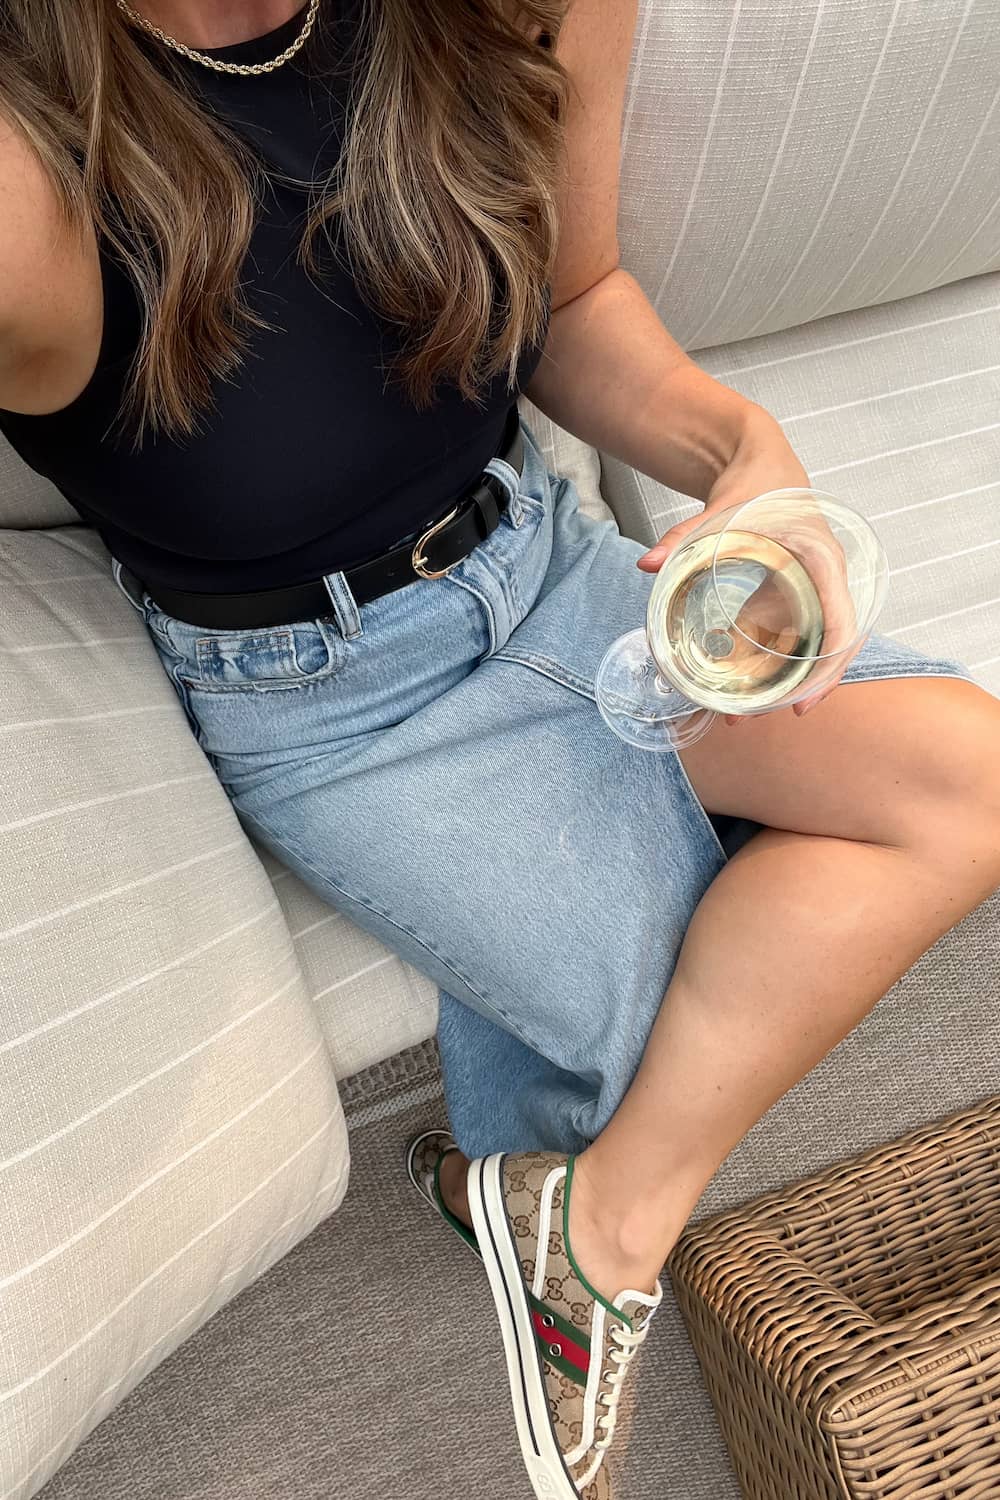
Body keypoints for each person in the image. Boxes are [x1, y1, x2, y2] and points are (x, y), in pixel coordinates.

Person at [1, 3, 998, 1496]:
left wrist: (740, 454)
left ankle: (589, 1225)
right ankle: (518, 1188)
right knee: (668, 1005)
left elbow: (573, 295)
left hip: (555, 562)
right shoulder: (34, 162)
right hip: (337, 704)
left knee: (968, 776)